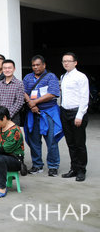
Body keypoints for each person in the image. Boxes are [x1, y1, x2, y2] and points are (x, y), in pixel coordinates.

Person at [22, 55, 62, 176]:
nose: (35, 67)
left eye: (38, 64)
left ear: (44, 65)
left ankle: (53, 166)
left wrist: (35, 102)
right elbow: (23, 91)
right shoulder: (28, 77)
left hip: (48, 112)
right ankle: (37, 165)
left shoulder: (51, 77)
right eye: (33, 65)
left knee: (51, 140)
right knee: (34, 140)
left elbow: (53, 93)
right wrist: (31, 104)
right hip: (32, 113)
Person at [59, 52, 89, 182]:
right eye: (64, 61)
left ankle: (81, 169)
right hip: (65, 112)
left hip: (77, 113)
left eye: (68, 61)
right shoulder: (63, 76)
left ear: (75, 62)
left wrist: (80, 115)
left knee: (79, 143)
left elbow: (84, 97)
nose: (66, 63)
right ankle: (74, 168)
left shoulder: (81, 77)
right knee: (70, 143)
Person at [0, 59, 25, 126]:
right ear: (2, 69)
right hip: (0, 118)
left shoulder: (19, 84)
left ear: (14, 69)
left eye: (9, 68)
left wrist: (8, 116)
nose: (7, 70)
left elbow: (19, 102)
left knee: (12, 136)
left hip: (14, 118)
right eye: (5, 68)